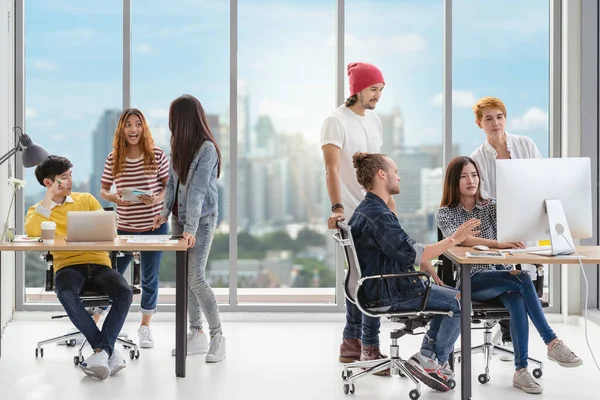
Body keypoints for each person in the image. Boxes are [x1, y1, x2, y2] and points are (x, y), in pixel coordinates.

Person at [436, 156, 583, 394]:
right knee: (523, 280)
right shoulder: (446, 212)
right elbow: (462, 238)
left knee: (516, 298)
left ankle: (521, 371)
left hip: (500, 275)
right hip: (473, 280)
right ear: (454, 181)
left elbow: (516, 217)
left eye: (474, 175)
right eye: (463, 176)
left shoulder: (490, 206)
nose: (470, 180)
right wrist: (499, 244)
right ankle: (551, 341)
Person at [348, 152, 480, 392]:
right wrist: (454, 239)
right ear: (382, 174)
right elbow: (413, 252)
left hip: (380, 287)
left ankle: (427, 355)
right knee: (462, 302)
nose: (399, 177)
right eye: (395, 172)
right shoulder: (378, 215)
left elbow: (399, 247)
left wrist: (423, 261)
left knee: (451, 297)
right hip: (392, 292)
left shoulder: (369, 209)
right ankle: (433, 359)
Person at [25, 156, 133, 380]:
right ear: (49, 183)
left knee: (124, 292)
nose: (71, 181)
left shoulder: (86, 199)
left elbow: (109, 230)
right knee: (65, 292)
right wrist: (50, 197)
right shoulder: (39, 209)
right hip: (68, 266)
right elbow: (33, 231)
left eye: (71, 175)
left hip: (100, 264)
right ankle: (106, 352)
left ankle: (101, 352)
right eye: (64, 178)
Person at [321, 61, 393, 367]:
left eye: (380, 89)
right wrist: (337, 208)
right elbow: (331, 168)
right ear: (357, 89)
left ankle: (352, 342)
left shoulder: (374, 121)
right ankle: (367, 346)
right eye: (373, 89)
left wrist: (390, 206)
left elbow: (379, 170)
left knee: (363, 278)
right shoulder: (335, 121)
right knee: (367, 279)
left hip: (376, 210)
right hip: (352, 214)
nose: (378, 95)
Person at [470, 96, 545, 358]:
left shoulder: (525, 144)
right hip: (498, 226)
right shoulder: (476, 159)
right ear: (479, 123)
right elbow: (484, 198)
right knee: (509, 275)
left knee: (528, 276)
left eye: (499, 116)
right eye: (488, 118)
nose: (495, 122)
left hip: (529, 219)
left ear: (505, 118)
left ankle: (515, 337)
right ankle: (508, 335)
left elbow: (539, 180)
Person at [152, 94, 225, 363]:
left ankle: (218, 337)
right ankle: (196, 334)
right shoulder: (178, 148)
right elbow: (171, 185)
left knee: (195, 277)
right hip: (179, 219)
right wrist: (162, 215)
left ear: (182, 120)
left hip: (201, 220)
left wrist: (191, 228)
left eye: (173, 119)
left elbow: (196, 192)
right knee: (185, 279)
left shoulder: (207, 149)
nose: (170, 123)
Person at [100, 108, 169, 349]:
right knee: (112, 275)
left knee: (150, 277)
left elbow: (167, 188)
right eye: (128, 125)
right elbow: (104, 190)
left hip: (154, 226)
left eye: (137, 124)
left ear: (144, 127)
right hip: (125, 228)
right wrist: (116, 199)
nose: (133, 129)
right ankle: (97, 319)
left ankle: (145, 326)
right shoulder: (113, 158)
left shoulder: (157, 155)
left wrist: (157, 201)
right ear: (122, 129)